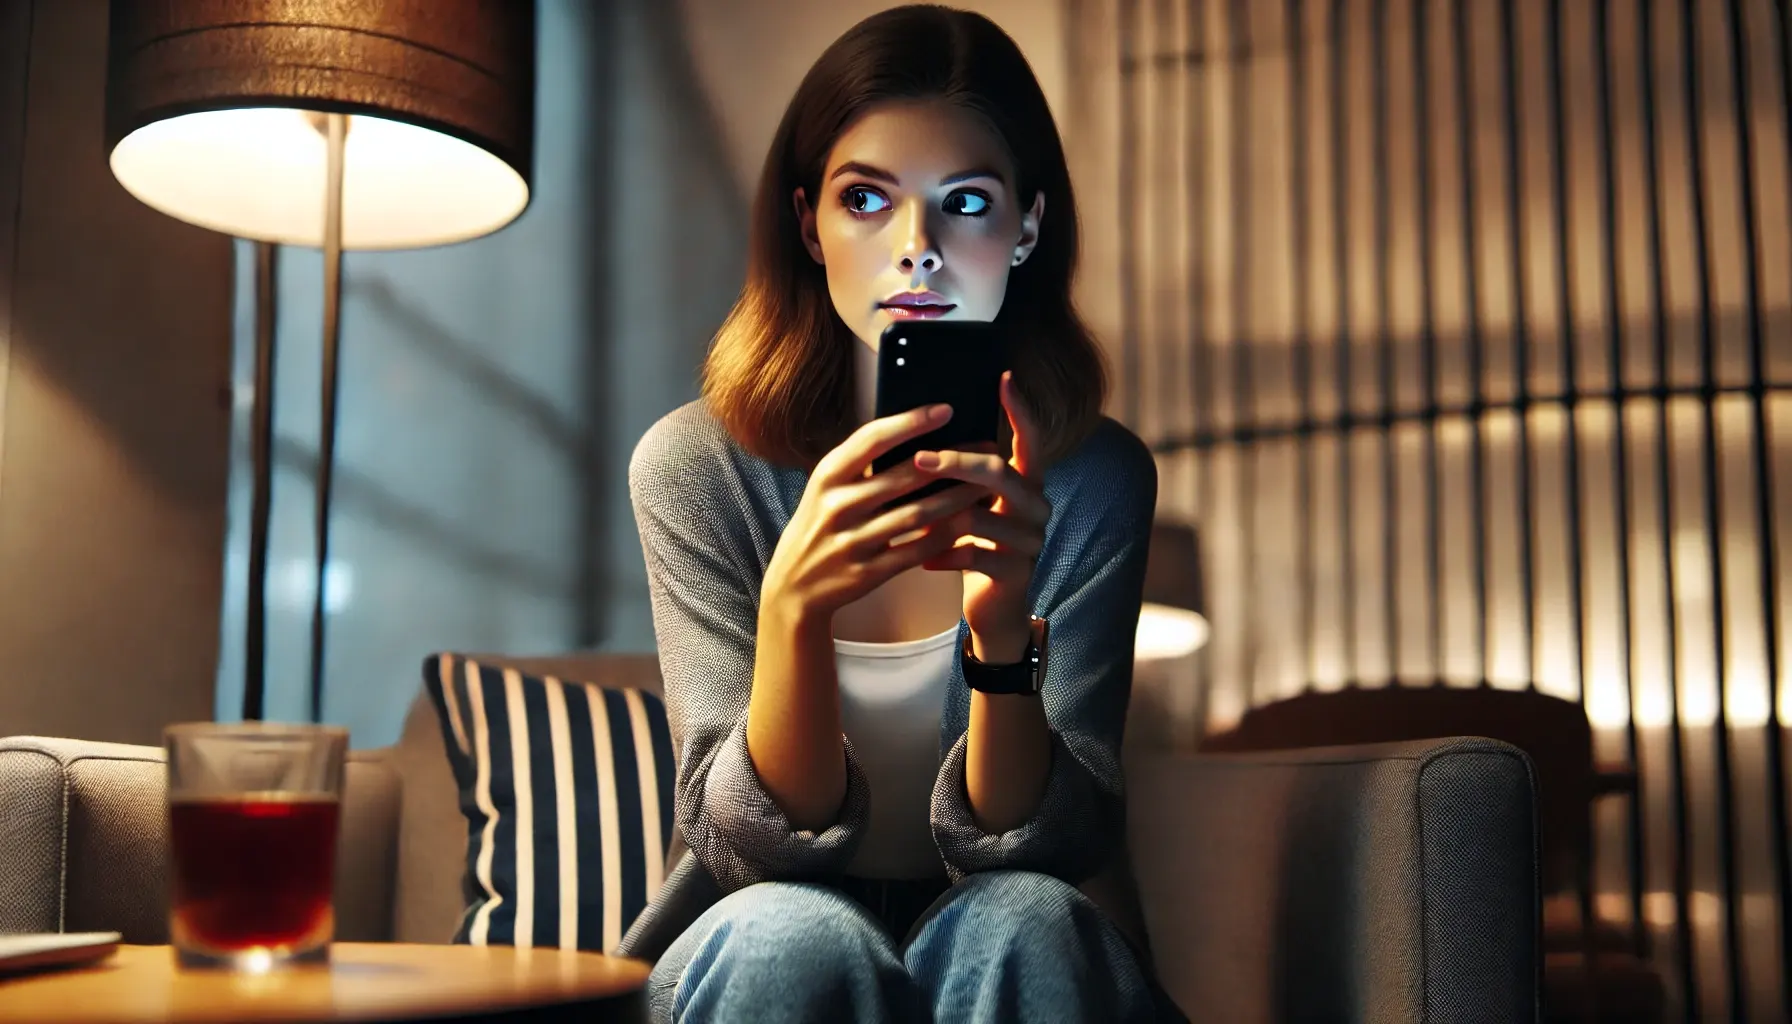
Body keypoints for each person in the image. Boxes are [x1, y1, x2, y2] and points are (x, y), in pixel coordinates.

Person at [620, 6, 1178, 1021]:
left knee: (1024, 918)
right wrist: (794, 608)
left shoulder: (1094, 477)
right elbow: (745, 848)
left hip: (1020, 943)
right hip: (757, 940)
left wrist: (1000, 631)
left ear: (1027, 228)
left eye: (965, 200)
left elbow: (1051, 844)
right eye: (866, 197)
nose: (916, 248)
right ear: (807, 224)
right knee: (785, 931)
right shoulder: (696, 466)